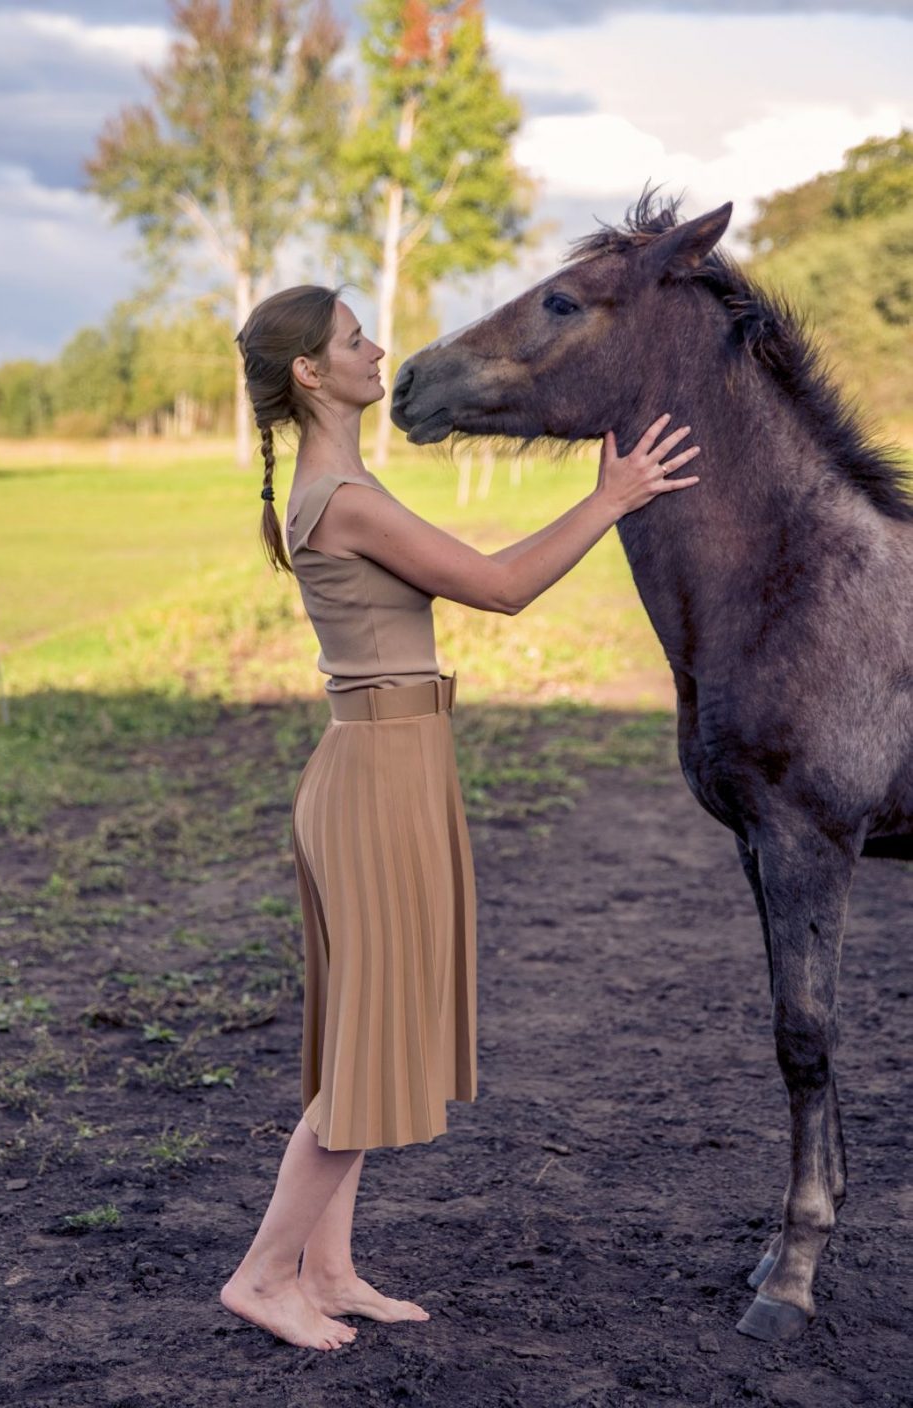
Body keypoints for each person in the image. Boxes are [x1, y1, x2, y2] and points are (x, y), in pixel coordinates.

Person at [219, 285, 701, 1352]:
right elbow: (499, 585)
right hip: (377, 775)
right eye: (354, 340)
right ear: (311, 372)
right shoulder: (340, 492)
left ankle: (329, 1269)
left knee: (362, 1038)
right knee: (361, 1057)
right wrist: (610, 496)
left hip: (389, 760)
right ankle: (262, 1272)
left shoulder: (341, 479)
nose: (376, 347)